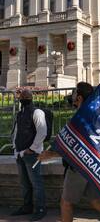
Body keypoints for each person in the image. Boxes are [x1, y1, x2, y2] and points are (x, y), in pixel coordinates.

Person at [38, 82, 100, 222]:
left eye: (74, 93)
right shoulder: (94, 114)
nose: (72, 96)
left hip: (79, 166)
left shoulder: (81, 117)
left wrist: (50, 155)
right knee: (95, 200)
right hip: (94, 165)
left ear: (79, 97)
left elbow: (76, 147)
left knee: (66, 203)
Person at [11, 89, 47, 221]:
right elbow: (16, 131)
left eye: (26, 96)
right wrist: (15, 148)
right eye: (22, 96)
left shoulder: (37, 112)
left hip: (32, 154)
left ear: (31, 98)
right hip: (20, 154)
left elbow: (42, 132)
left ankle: (41, 209)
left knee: (36, 183)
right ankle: (27, 207)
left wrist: (31, 149)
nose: (23, 97)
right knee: (24, 184)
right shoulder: (20, 113)